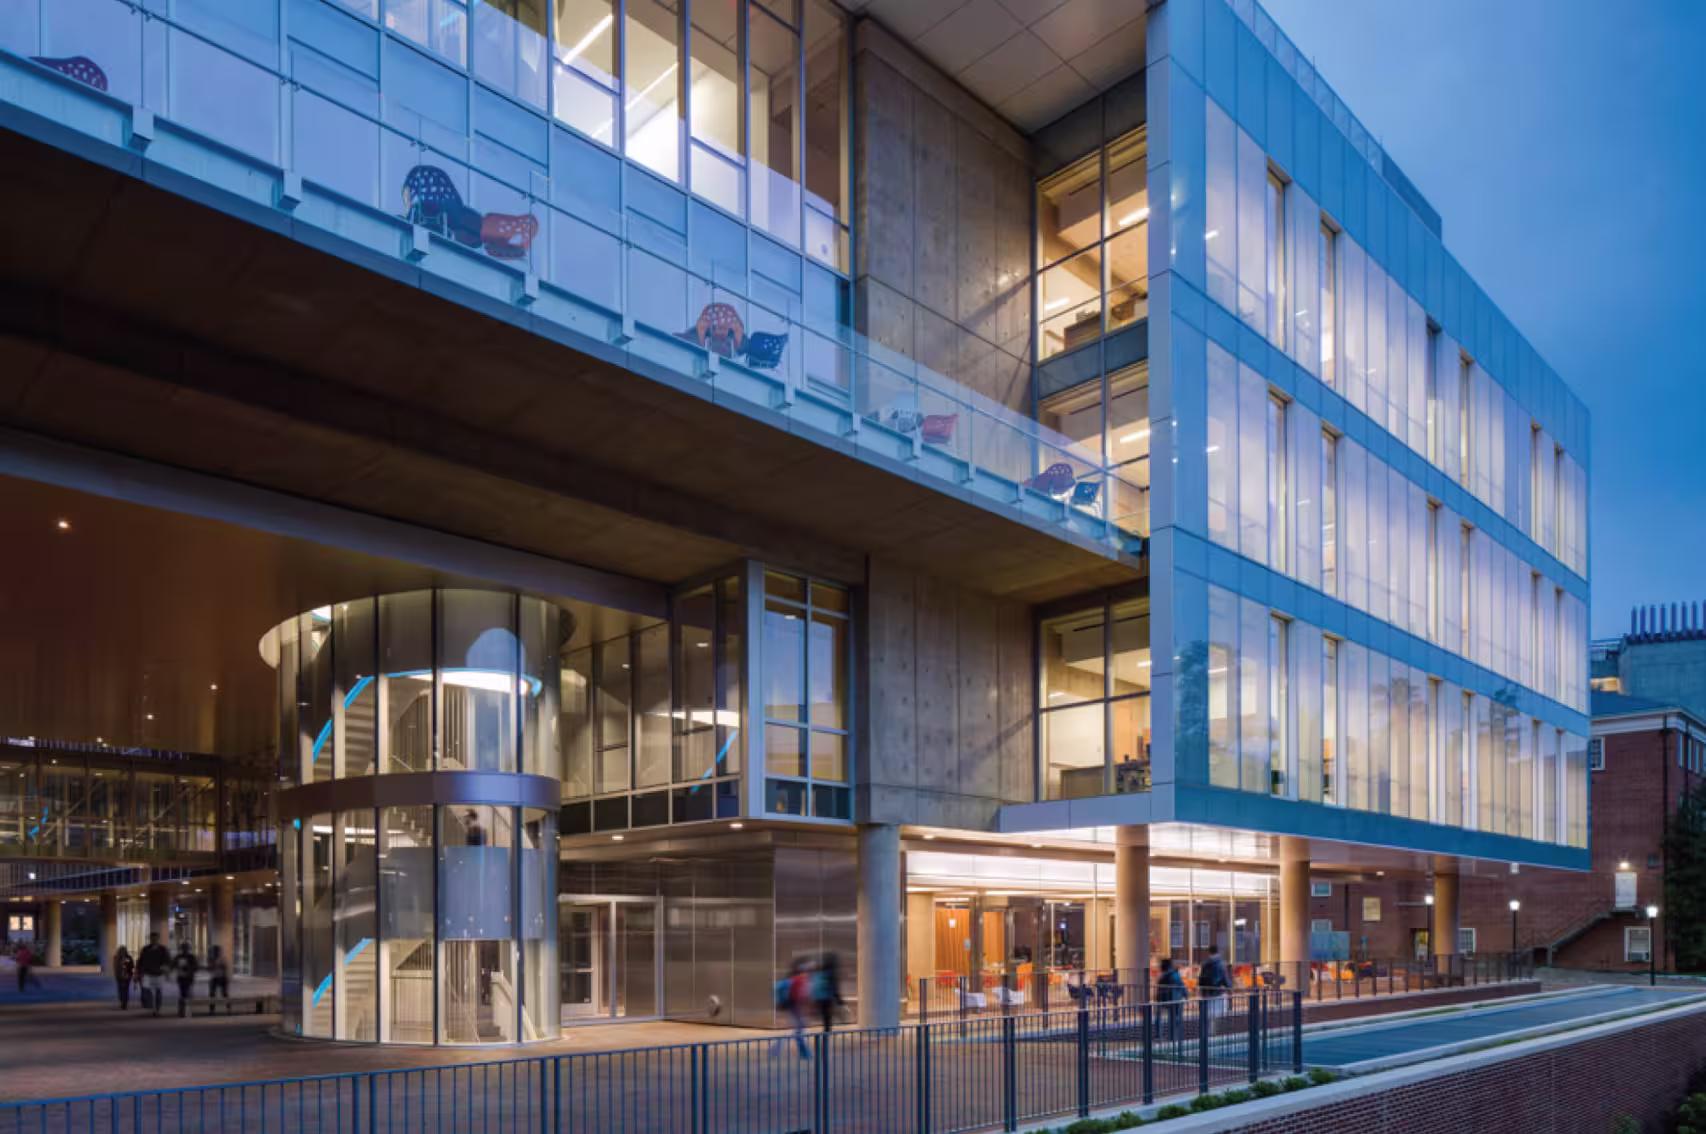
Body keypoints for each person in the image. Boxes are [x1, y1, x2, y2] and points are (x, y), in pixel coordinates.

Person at [772, 958, 811, 1059]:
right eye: (804, 971)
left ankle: (804, 1053)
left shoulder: (799, 980)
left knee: (798, 1031)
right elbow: (776, 987)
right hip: (794, 1006)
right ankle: (805, 1054)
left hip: (796, 1007)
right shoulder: (794, 980)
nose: (806, 973)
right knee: (799, 1032)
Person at [137, 933, 171, 1015]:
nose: (154, 940)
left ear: (158, 939)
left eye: (156, 939)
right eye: (152, 939)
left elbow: (167, 961)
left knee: (158, 991)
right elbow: (140, 960)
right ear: (150, 939)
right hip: (148, 973)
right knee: (146, 989)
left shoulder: (163, 949)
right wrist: (139, 971)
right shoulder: (145, 949)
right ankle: (150, 1005)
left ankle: (157, 1009)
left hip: (159, 974)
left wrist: (165, 969)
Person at [1155, 957, 1186, 1041]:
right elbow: (1181, 985)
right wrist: (1185, 995)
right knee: (1174, 1019)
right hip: (1175, 999)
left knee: (1159, 1017)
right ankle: (1172, 1037)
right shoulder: (1175, 974)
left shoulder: (1163, 976)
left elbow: (1160, 989)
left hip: (1164, 999)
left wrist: (1158, 998)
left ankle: (1159, 1036)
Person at [811, 953, 843, 1033]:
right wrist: (839, 1000)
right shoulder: (831, 973)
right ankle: (827, 1032)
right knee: (827, 1017)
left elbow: (814, 984)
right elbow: (834, 987)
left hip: (819, 997)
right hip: (827, 998)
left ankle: (826, 1030)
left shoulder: (820, 971)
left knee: (825, 1016)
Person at [1199, 945, 1231, 1016]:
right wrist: (1229, 987)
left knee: (1209, 1015)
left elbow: (1201, 978)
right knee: (1219, 1015)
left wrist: (1202, 991)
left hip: (1208, 993)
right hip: (1218, 992)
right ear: (1217, 952)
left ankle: (1210, 1023)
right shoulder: (1221, 964)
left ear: (1209, 952)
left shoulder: (1205, 964)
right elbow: (1225, 977)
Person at [173, 941, 199, 1018]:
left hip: (188, 978)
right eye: (184, 948)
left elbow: (195, 967)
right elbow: (174, 965)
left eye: (186, 948)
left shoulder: (191, 957)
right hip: (182, 978)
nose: (185, 949)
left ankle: (185, 1011)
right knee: (183, 994)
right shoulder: (179, 957)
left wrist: (189, 970)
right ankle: (182, 1011)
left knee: (186, 994)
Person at [205, 944, 230, 1014]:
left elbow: (224, 968)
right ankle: (212, 1009)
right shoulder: (211, 959)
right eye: (214, 951)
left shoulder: (222, 959)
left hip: (221, 977)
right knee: (212, 994)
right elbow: (209, 969)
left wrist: (225, 978)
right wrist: (211, 965)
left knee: (224, 993)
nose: (215, 953)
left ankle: (228, 1007)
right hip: (214, 978)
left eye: (217, 951)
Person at [113, 945, 135, 1010]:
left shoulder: (128, 957)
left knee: (125, 989)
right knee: (121, 989)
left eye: (124, 951)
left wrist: (129, 973)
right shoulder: (117, 958)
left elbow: (132, 966)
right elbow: (116, 967)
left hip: (127, 976)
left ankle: (124, 1003)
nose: (123, 952)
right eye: (122, 951)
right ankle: (122, 1001)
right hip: (119, 976)